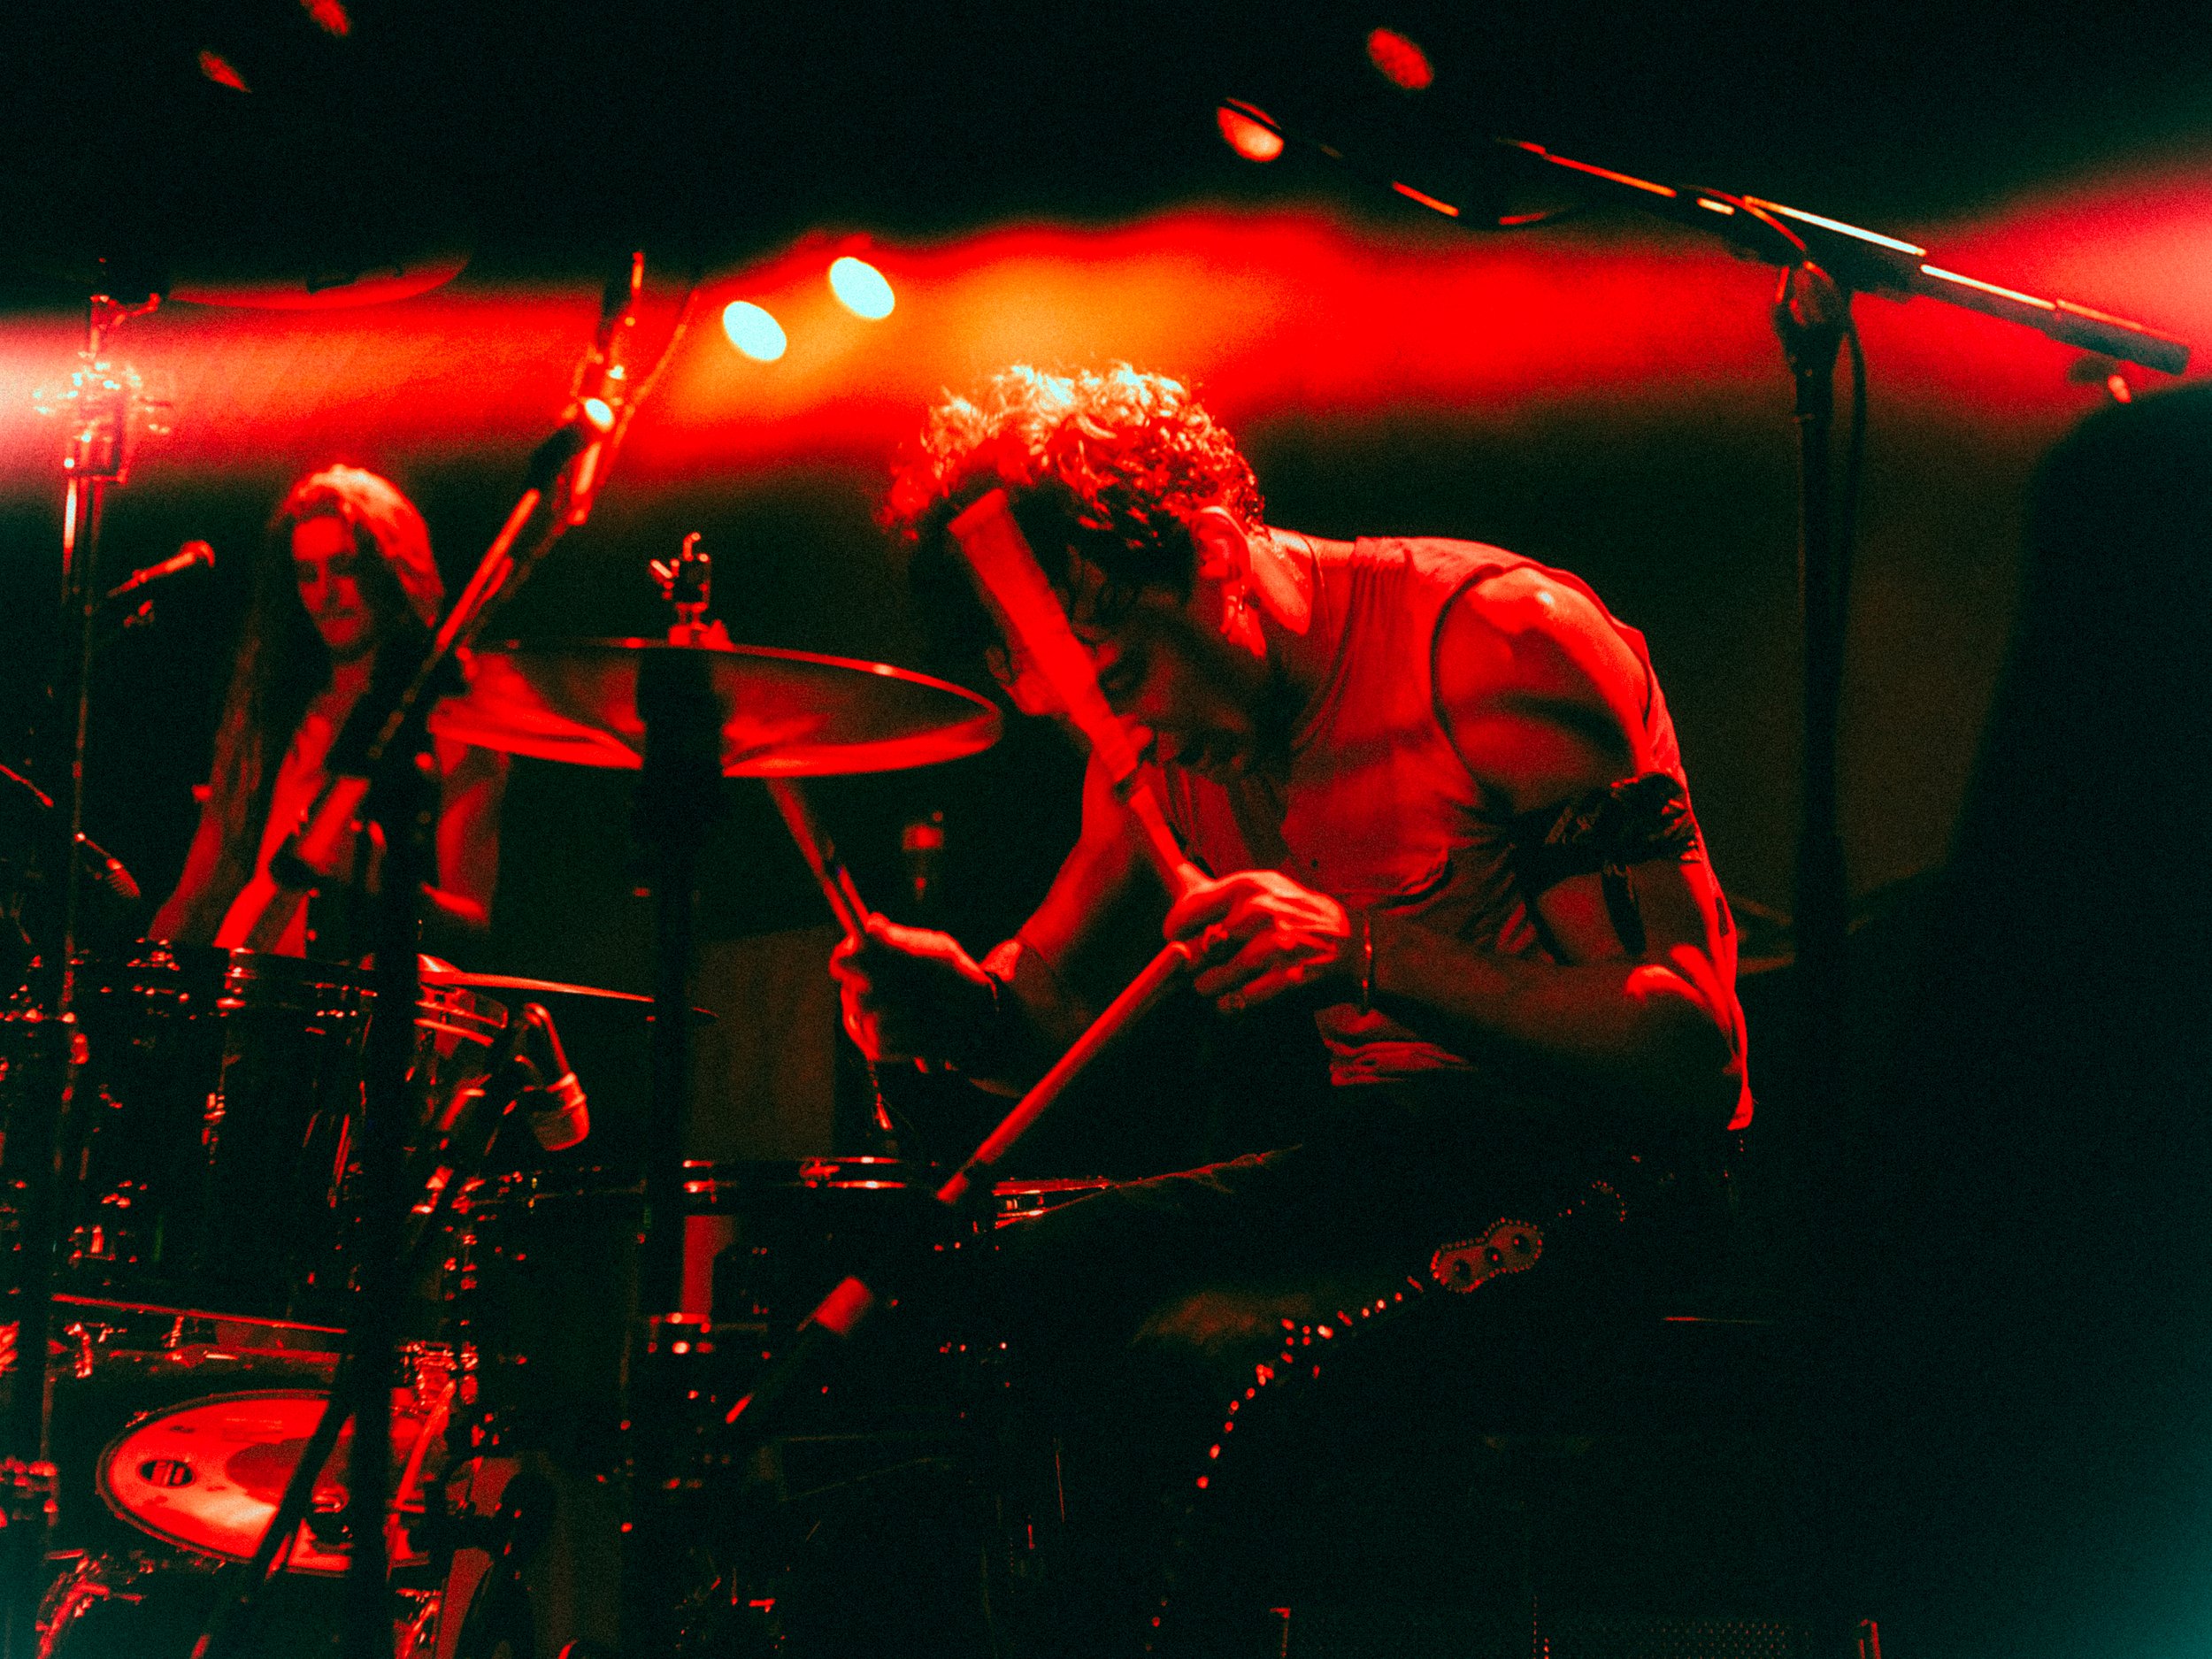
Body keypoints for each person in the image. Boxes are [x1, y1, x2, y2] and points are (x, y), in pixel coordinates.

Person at [832, 365, 1753, 1650]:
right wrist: (956, 1003)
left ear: (1210, 549)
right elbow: (1040, 1017)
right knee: (979, 1285)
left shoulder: (1493, 646)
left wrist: (1373, 950)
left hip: (1605, 1178)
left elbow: (1690, 1058)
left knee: (1204, 1355)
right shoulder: (1155, 740)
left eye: (1123, 664)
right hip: (1389, 1159)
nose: (1124, 722)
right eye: (1079, 701)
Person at [151, 465, 504, 960]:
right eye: (306, 574)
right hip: (246, 997)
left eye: (344, 567)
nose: (325, 592)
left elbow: (473, 930)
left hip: (361, 1017)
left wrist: (391, 879)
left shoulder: (459, 728)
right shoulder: (274, 717)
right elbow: (195, 896)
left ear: (389, 570)